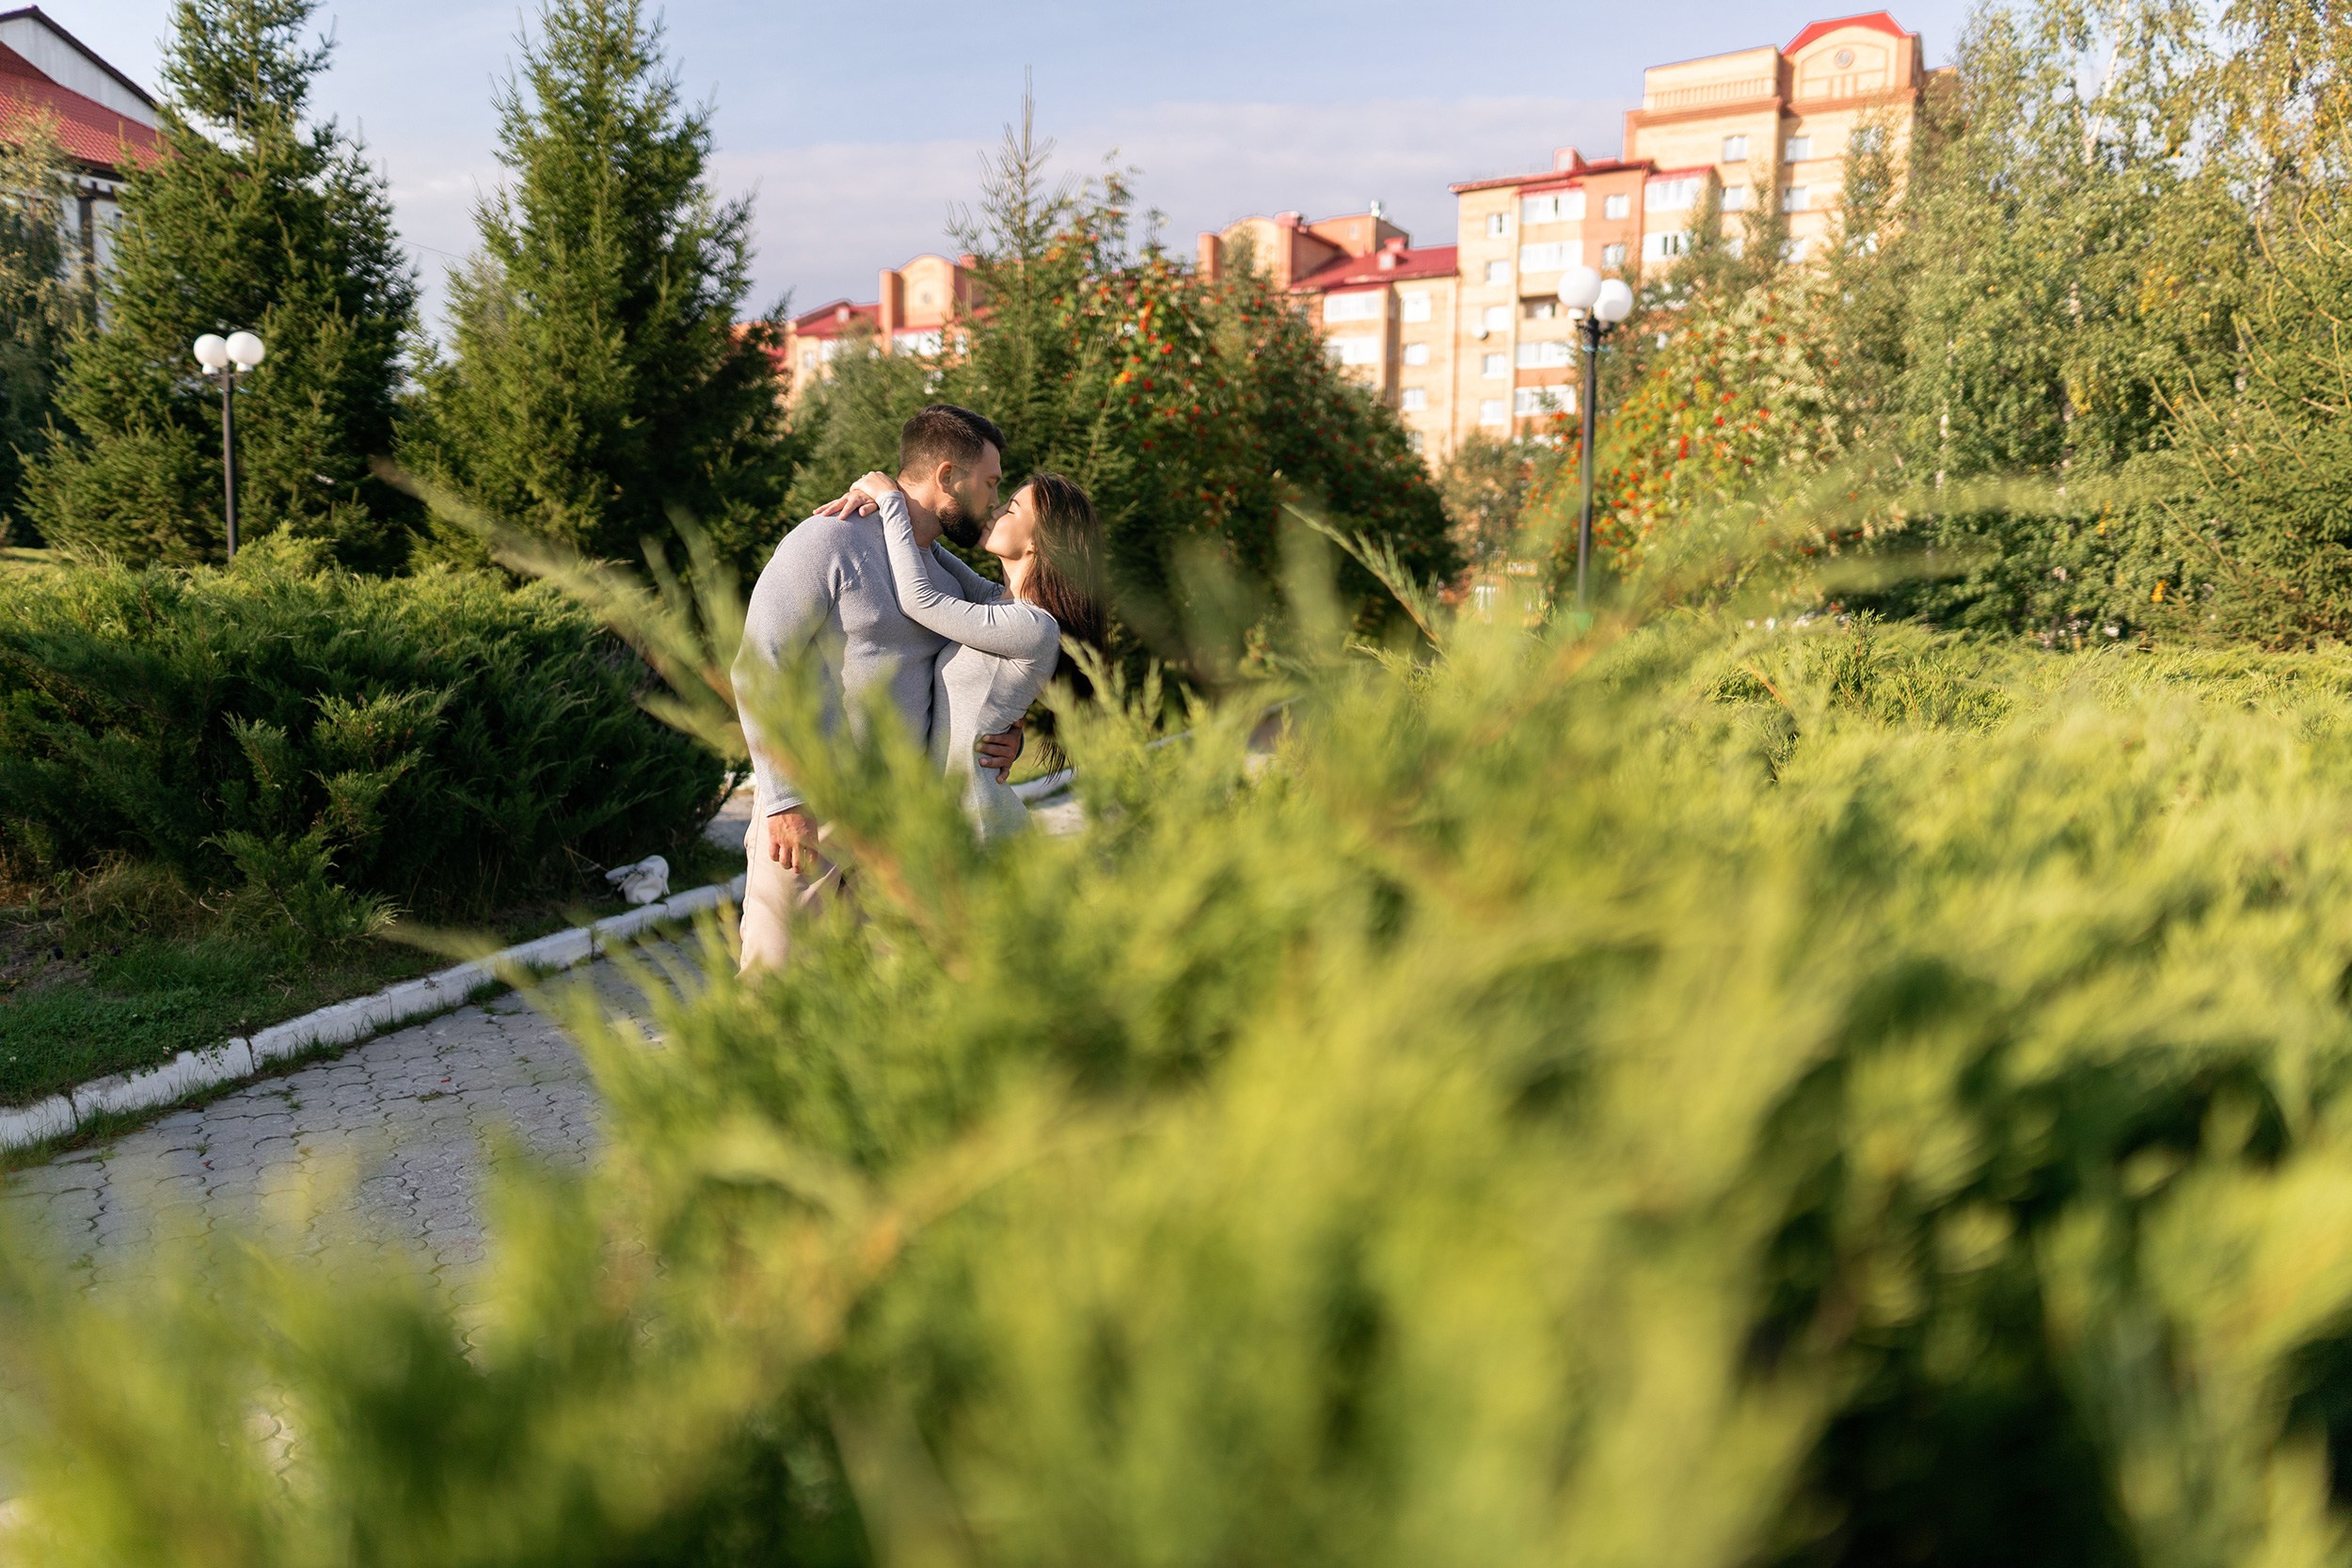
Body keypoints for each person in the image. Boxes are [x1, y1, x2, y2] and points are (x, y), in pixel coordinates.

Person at [731, 404, 1025, 972]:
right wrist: (785, 800)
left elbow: (985, 663)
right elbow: (758, 664)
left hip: (898, 827)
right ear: (946, 476)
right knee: (775, 995)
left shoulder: (941, 575)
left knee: (882, 1009)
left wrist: (1012, 729)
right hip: (810, 816)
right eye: (989, 483)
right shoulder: (828, 540)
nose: (994, 499)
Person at [840, 467, 1107, 840]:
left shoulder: (1032, 626)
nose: (996, 510)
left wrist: (890, 500)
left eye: (1011, 510)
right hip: (956, 819)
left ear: (1037, 543)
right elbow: (923, 547)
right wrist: (887, 501)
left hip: (981, 826)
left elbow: (920, 600)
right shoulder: (993, 602)